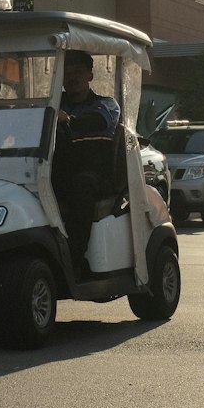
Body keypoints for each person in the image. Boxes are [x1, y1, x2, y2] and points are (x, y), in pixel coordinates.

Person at [51, 51, 121, 273]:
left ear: (90, 76)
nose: (72, 78)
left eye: (78, 72)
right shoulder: (51, 105)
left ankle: (74, 258)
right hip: (58, 173)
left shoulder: (105, 105)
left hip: (97, 175)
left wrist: (68, 120)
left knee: (81, 184)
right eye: (67, 73)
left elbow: (98, 121)